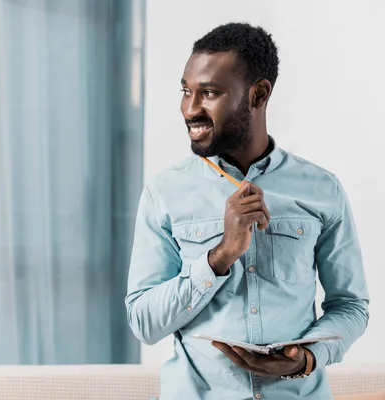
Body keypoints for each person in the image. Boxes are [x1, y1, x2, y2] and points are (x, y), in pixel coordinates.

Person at [125, 22, 369, 400]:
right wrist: (220, 256)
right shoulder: (164, 192)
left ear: (258, 94)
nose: (190, 109)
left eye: (209, 93)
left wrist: (306, 357)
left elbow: (351, 306)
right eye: (186, 91)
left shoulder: (323, 190)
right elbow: (144, 322)